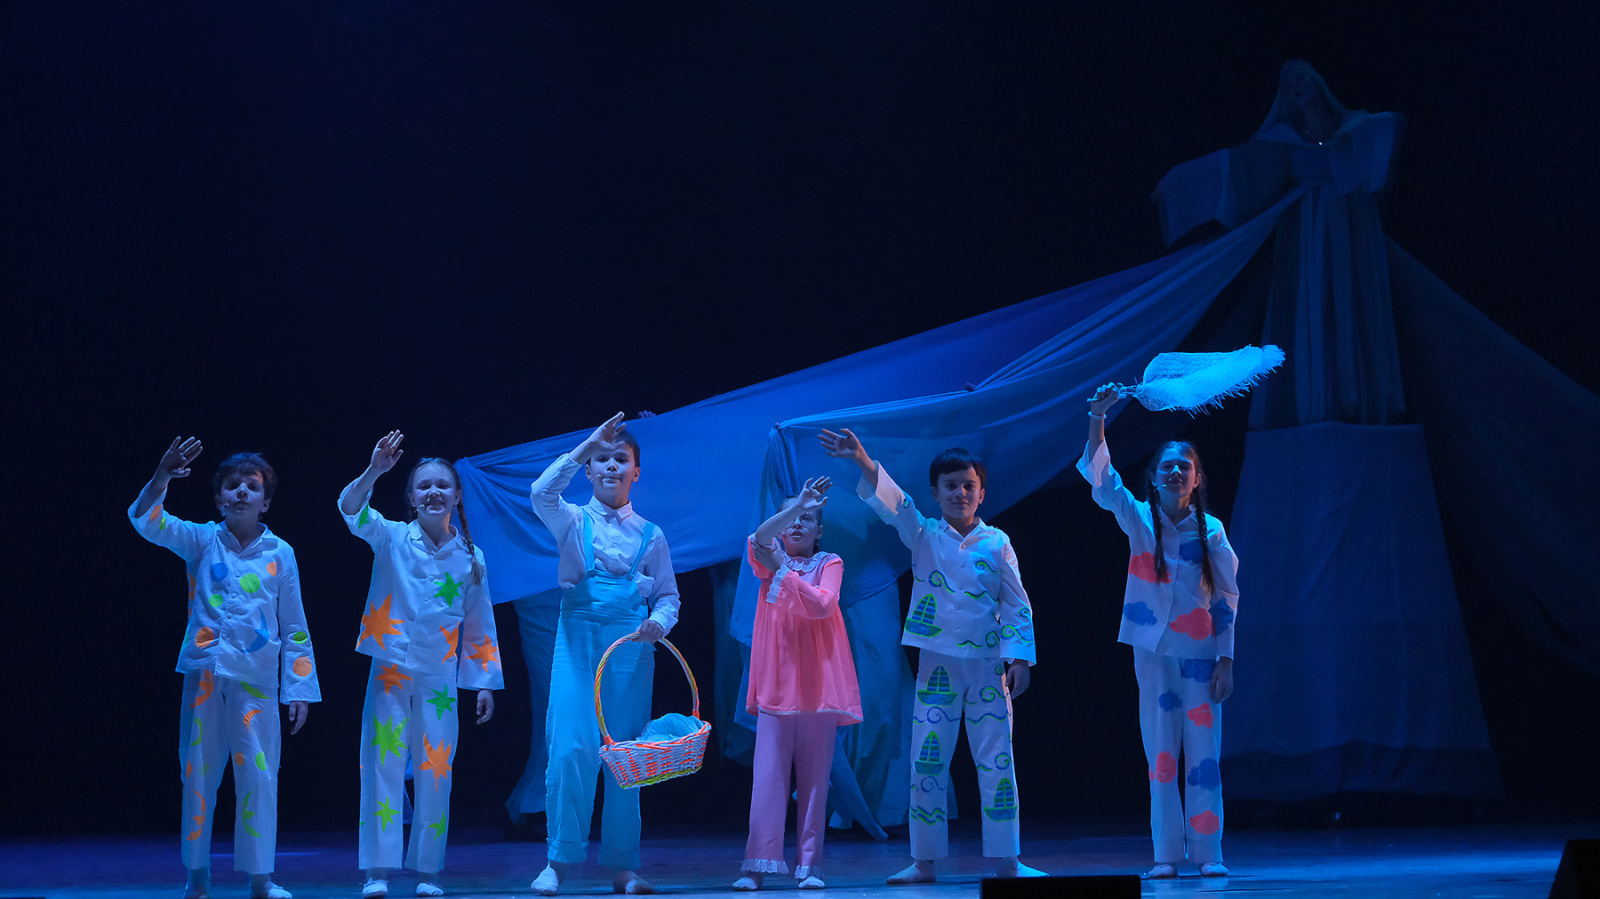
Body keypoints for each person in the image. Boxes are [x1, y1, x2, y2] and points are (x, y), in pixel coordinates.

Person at [819, 428, 1043, 884]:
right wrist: (861, 458)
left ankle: (1007, 860)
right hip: (938, 665)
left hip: (987, 666)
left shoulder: (997, 542)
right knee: (927, 762)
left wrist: (1019, 658)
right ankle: (924, 861)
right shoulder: (924, 534)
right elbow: (895, 503)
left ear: (981, 493)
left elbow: (1016, 602)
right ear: (936, 493)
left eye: (968, 485)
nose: (960, 493)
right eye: (950, 485)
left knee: (997, 760)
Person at [130, 437, 320, 899]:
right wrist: (162, 476)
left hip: (257, 678)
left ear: (265, 501)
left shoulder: (281, 552)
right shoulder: (202, 540)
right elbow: (146, 520)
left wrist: (298, 688)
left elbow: (295, 625)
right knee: (197, 773)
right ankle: (197, 876)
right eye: (233, 485)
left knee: (259, 776)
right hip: (205, 674)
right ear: (219, 499)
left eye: (251, 486)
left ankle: (261, 879)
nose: (241, 492)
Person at [1078, 385, 1240, 878]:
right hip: (1152, 651)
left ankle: (1208, 852)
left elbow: (1226, 597)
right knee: (1161, 753)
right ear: (1153, 477)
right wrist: (1098, 417)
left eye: (1184, 467)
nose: (1175, 472)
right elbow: (1103, 479)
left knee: (1204, 755)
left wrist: (1227, 659)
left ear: (1196, 478)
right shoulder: (1140, 521)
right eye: (1167, 466)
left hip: (1201, 653)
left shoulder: (1211, 531)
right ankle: (1166, 854)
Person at [339, 432, 503, 898]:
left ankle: (428, 872)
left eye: (442, 485)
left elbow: (479, 623)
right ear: (411, 498)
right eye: (424, 486)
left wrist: (483, 683)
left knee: (436, 770)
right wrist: (374, 470)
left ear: (457, 495)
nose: (434, 492)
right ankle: (377, 871)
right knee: (381, 765)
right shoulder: (392, 536)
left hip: (439, 675)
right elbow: (351, 509)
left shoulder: (471, 557)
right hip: (390, 668)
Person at [529, 413, 680, 897]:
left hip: (630, 652)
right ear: (590, 471)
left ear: (636, 471)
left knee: (625, 756)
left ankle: (623, 865)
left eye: (621, 458)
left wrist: (659, 622)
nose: (611, 465)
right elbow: (540, 492)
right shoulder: (573, 520)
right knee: (569, 749)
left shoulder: (652, 534)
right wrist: (583, 446)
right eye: (602, 459)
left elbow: (668, 595)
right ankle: (558, 859)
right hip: (577, 644)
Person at [734, 477, 863, 892]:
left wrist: (783, 572)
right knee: (767, 779)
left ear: (819, 530)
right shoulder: (766, 555)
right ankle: (757, 865)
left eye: (807, 518)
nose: (797, 524)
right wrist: (796, 506)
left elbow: (823, 604)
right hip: (777, 681)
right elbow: (759, 538)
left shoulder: (829, 562)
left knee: (814, 780)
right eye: (791, 517)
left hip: (819, 685)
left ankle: (810, 865)